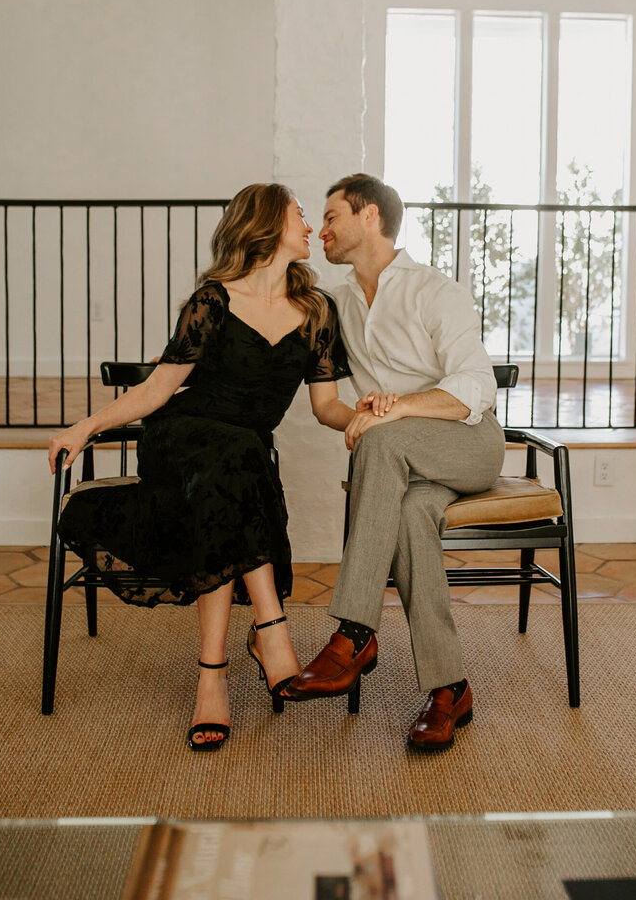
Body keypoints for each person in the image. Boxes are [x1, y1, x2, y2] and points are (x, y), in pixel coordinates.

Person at [48, 183, 353, 752]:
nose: (309, 228)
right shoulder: (213, 301)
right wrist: (86, 426)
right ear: (265, 224)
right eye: (300, 216)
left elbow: (327, 406)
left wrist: (369, 418)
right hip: (182, 442)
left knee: (233, 470)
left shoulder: (316, 311)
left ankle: (212, 678)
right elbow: (159, 388)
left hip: (235, 463)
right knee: (233, 458)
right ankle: (272, 633)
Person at [285, 174, 505, 752]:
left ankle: (355, 632)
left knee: (383, 440)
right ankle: (449, 689)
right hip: (404, 469)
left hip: (467, 444)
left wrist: (395, 411)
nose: (323, 230)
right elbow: (331, 402)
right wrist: (369, 415)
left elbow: (475, 386)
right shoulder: (336, 305)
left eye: (332, 216)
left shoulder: (435, 291)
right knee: (408, 515)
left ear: (370, 218)